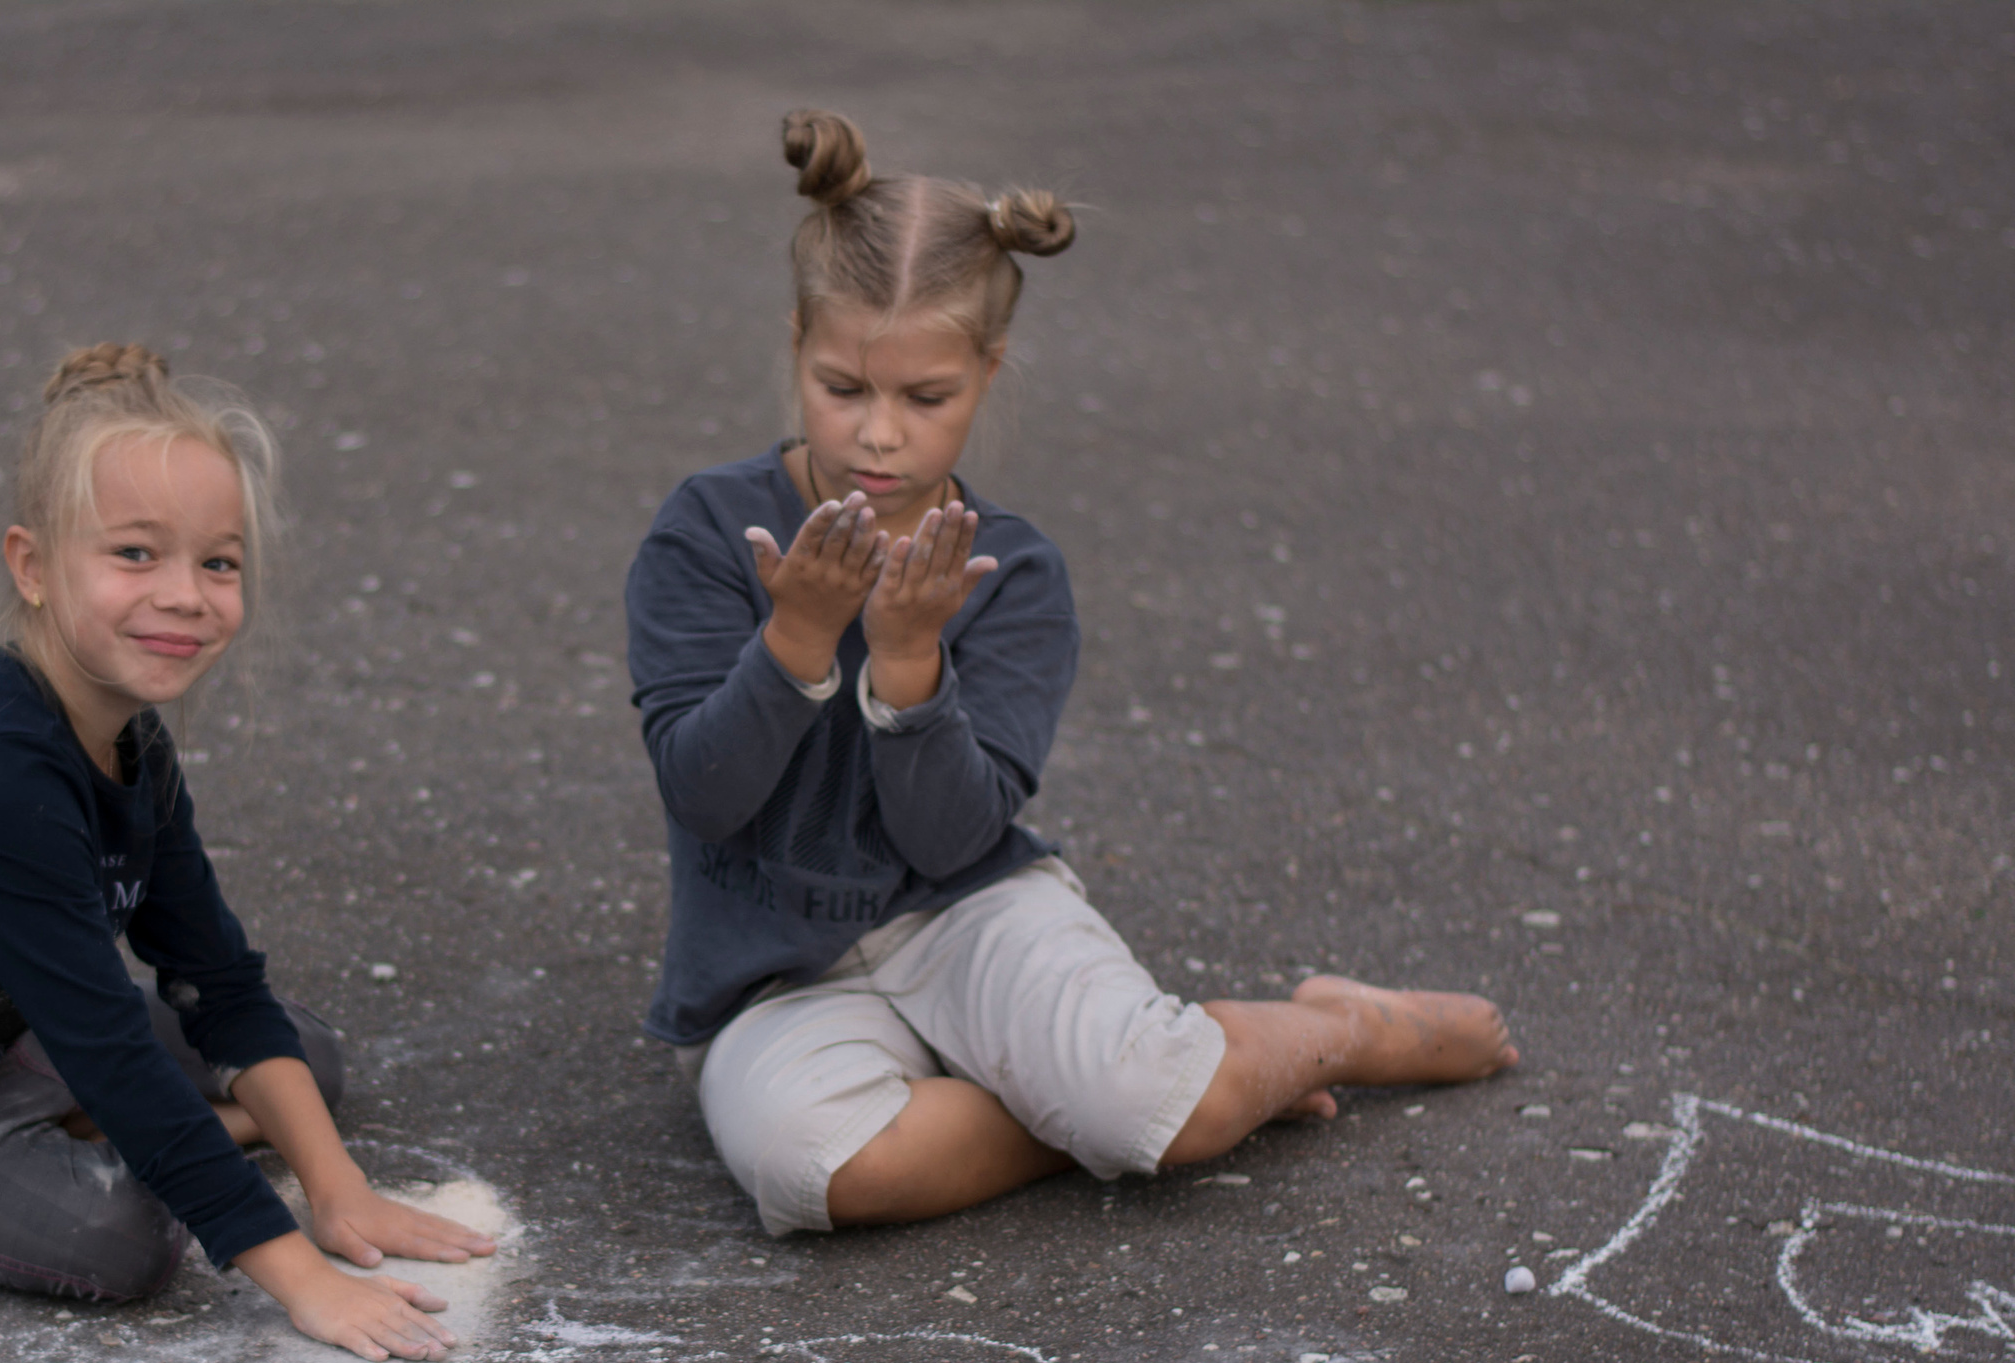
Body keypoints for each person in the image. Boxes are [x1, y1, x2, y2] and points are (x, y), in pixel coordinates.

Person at [626, 112, 1519, 1238]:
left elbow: (952, 840)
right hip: (774, 976)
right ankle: (1133, 1091)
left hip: (966, 911)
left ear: (986, 374)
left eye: (926, 397)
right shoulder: (708, 532)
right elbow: (702, 795)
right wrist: (795, 642)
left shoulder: (1014, 574)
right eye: (842, 385)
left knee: (1149, 1104)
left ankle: (1334, 1031)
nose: (879, 437)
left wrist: (907, 665)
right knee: (814, 1171)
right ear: (798, 339)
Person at [0, 343, 494, 1360]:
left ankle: (109, 1141)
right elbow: (107, 1047)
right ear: (32, 567)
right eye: (135, 554)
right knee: (121, 1240)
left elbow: (216, 979)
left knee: (304, 1065)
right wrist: (301, 1275)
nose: (185, 594)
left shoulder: (129, 741)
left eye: (217, 562)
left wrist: (341, 1192)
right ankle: (95, 1151)